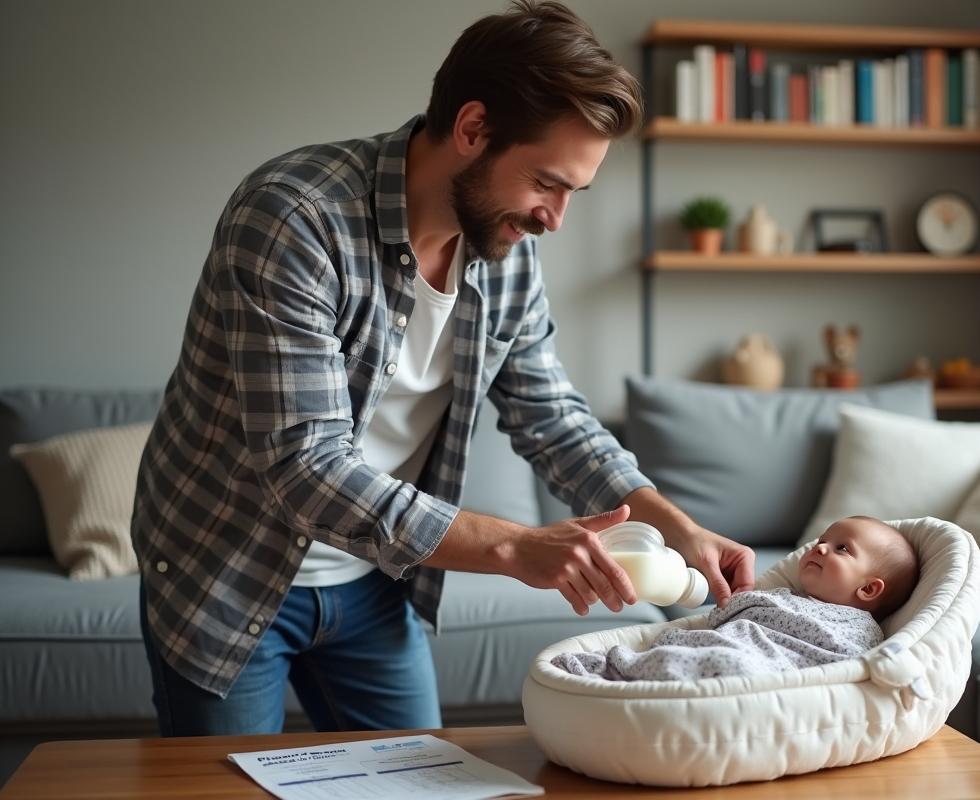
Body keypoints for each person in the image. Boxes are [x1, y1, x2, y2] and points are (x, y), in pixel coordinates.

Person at [131, 0, 755, 738]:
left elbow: (552, 417)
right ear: (472, 129)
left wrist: (677, 527)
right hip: (225, 574)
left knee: (420, 784)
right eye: (547, 182)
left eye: (571, 193)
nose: (555, 218)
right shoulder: (293, 217)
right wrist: (517, 546)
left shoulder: (509, 250)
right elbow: (305, 463)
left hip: (375, 579)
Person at [552, 516, 919, 681]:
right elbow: (727, 620)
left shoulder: (861, 629)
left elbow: (848, 666)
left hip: (754, 666)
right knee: (683, 646)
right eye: (822, 538)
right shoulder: (780, 595)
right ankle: (620, 670)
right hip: (729, 645)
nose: (820, 547)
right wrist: (743, 602)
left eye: (841, 548)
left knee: (729, 665)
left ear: (868, 589)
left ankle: (625, 675)